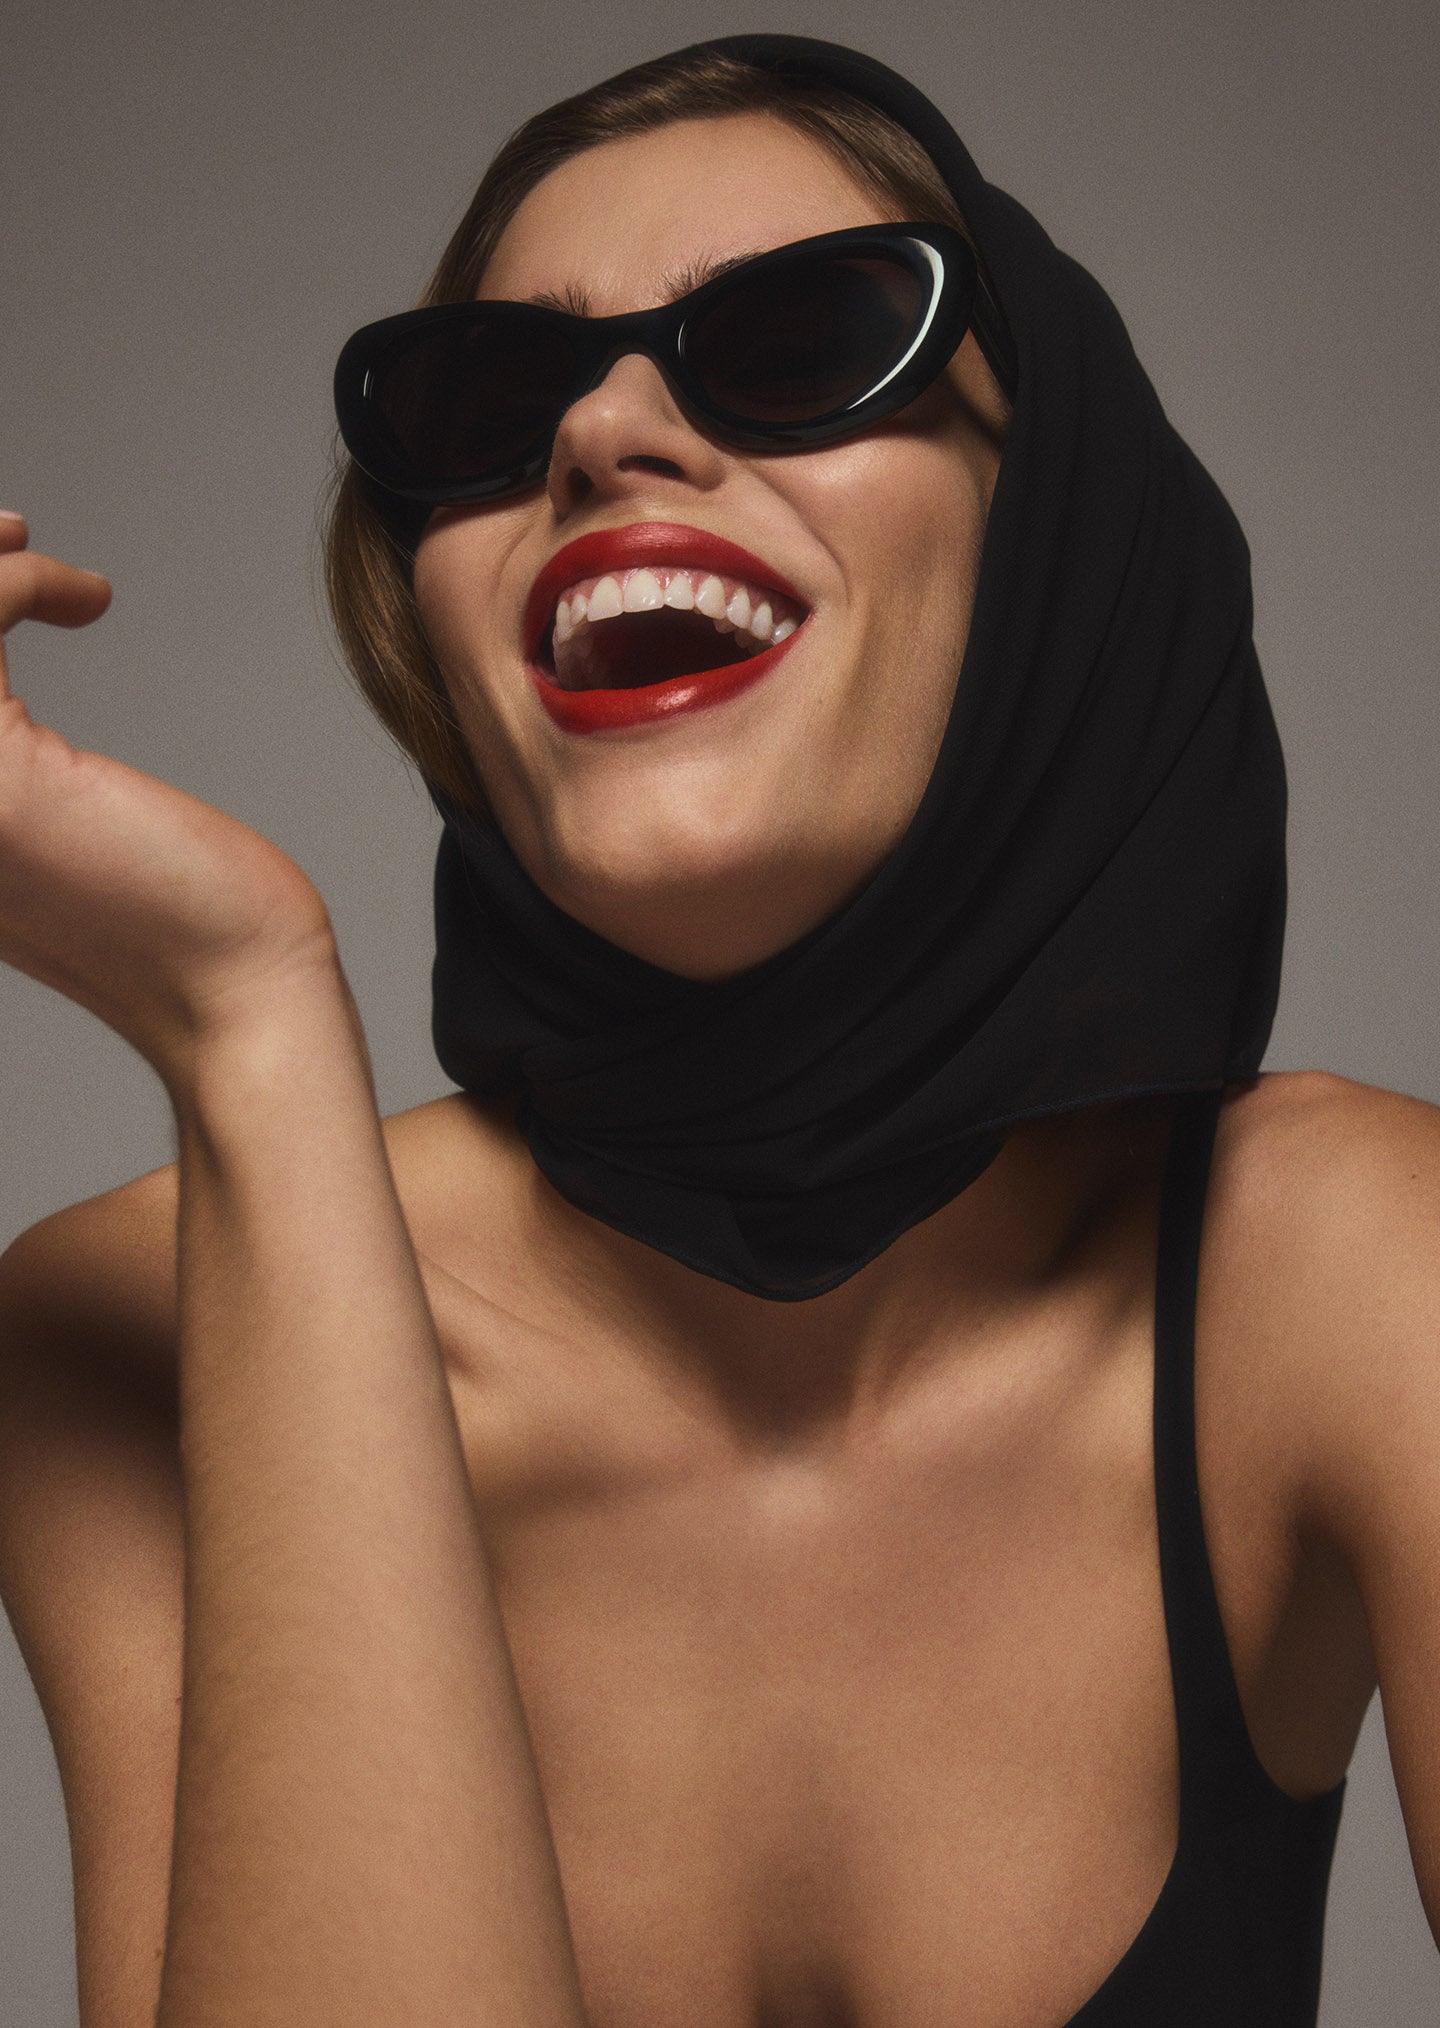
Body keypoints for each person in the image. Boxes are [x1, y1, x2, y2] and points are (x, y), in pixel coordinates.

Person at [0, 29, 1436, 2028]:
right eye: (490, 401)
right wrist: (243, 1018)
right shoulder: (120, 1326)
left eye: (802, 339)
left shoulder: (1363, 1276)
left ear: (1056, 539)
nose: (602, 436)